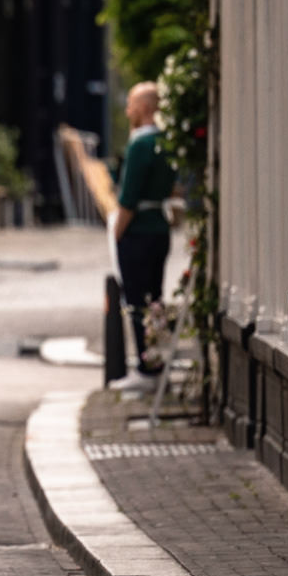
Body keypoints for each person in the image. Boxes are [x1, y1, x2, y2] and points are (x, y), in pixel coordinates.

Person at [111, 81, 177, 392]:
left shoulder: (139, 145)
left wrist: (117, 231)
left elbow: (128, 198)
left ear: (146, 108)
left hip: (137, 230)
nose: (128, 110)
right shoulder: (166, 142)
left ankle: (146, 366)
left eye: (132, 105)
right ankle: (158, 360)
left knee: (136, 301)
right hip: (160, 229)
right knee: (155, 298)